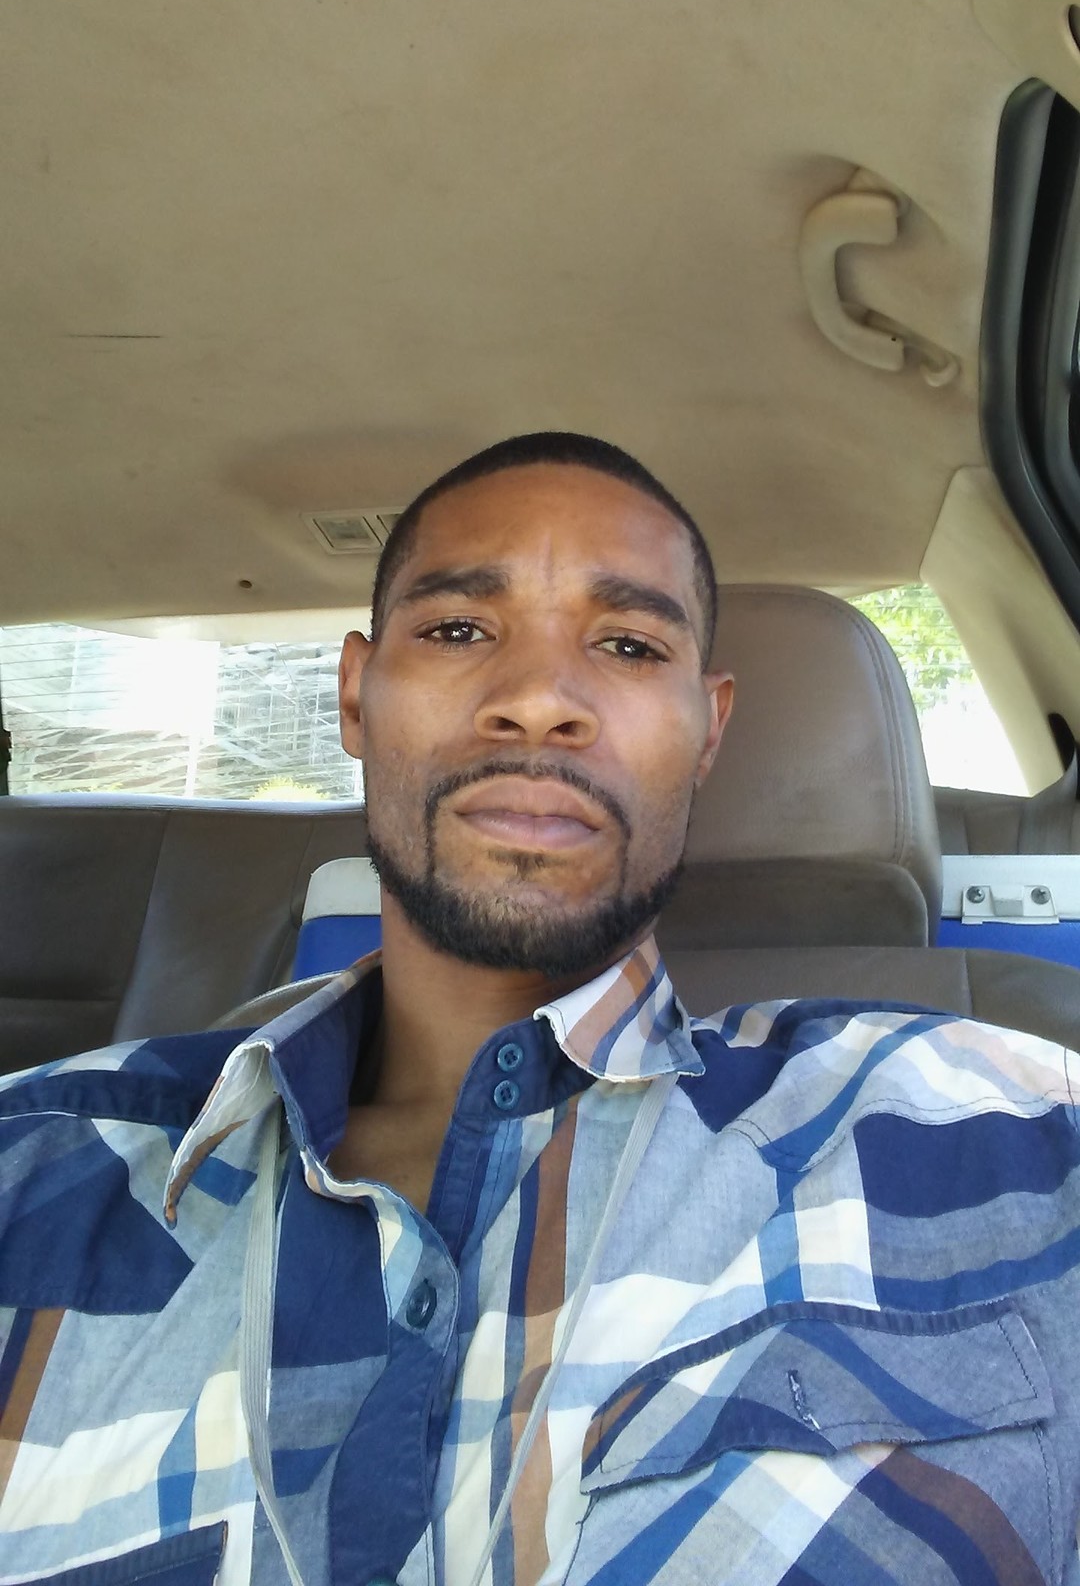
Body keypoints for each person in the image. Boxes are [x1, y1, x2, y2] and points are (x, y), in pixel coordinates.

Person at [2, 430, 1079, 1586]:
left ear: (710, 730)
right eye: (459, 630)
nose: (536, 702)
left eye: (628, 644)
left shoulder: (1006, 1139)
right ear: (356, 694)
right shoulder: (33, 1164)